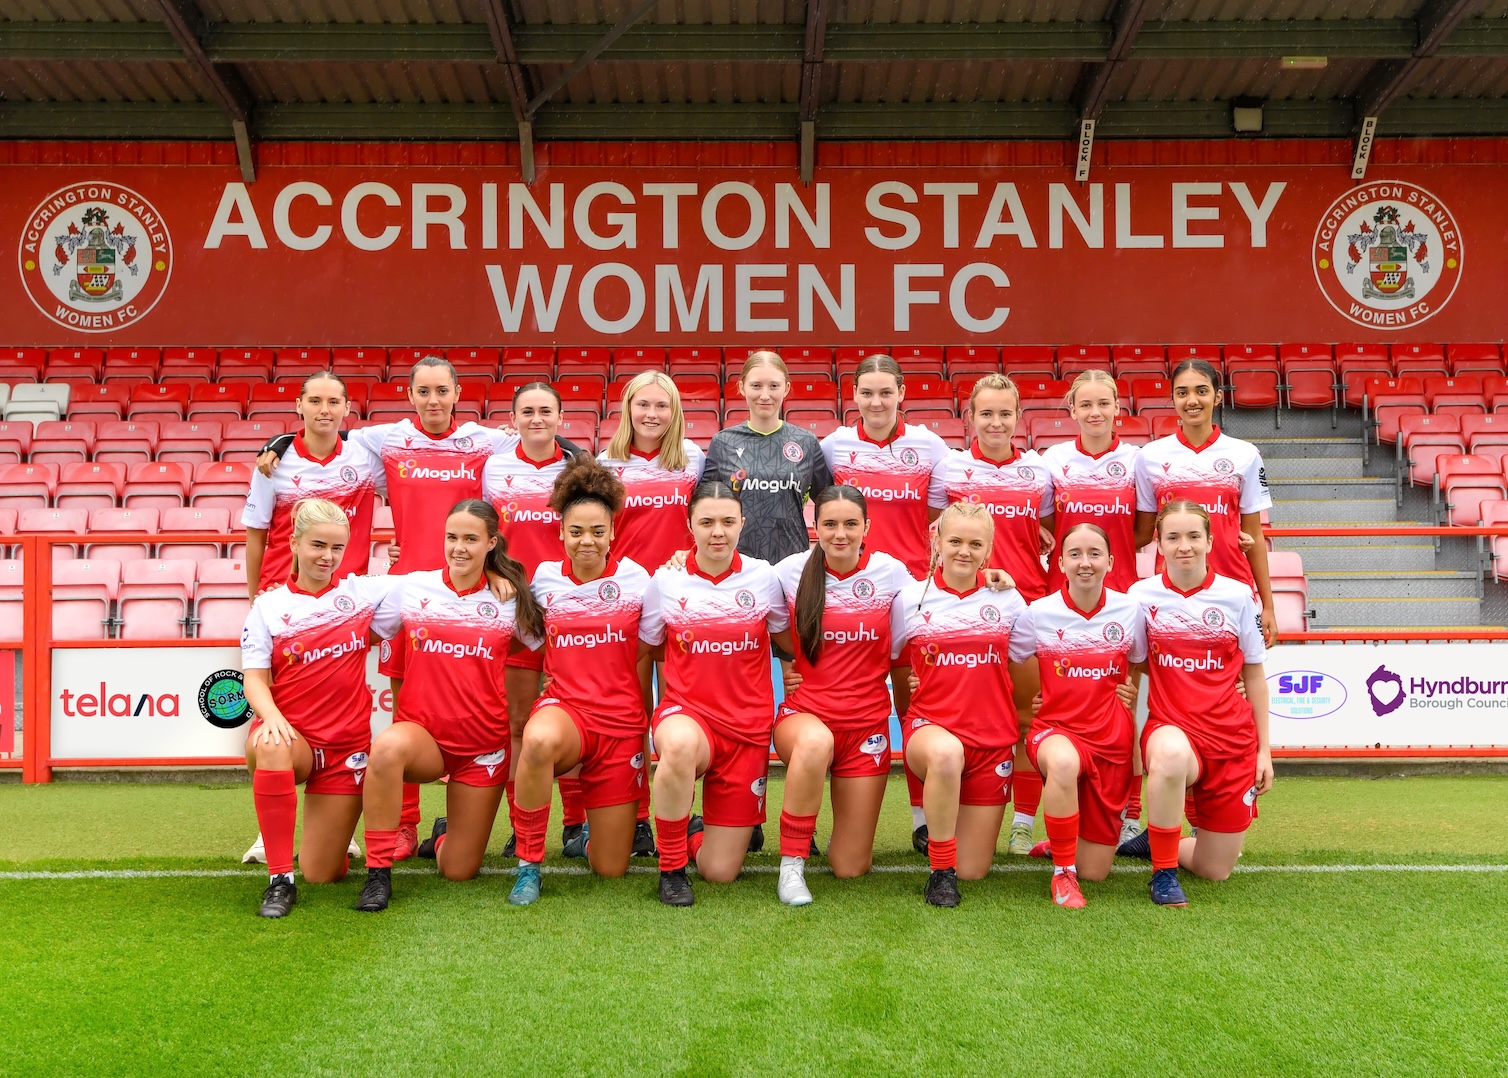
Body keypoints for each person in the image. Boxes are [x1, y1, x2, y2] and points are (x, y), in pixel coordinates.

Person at [258, 355, 519, 860]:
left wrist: (497, 571)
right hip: (408, 597)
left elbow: (543, 443)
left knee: (494, 710)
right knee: (407, 711)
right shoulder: (386, 439)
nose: (433, 400)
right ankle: (403, 824)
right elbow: (324, 435)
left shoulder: (487, 442)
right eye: (423, 391)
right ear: (410, 395)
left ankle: (496, 823)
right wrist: (277, 444)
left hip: (472, 594)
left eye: (442, 390)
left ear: (458, 392)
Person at [355, 499, 542, 912]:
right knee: (386, 747)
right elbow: (342, 596)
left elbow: (557, 641)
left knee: (458, 870)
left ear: (491, 543)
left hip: (484, 748)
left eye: (471, 539)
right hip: (424, 738)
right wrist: (283, 590)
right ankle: (377, 873)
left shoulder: (511, 598)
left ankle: (443, 835)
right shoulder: (411, 586)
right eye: (452, 537)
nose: (459, 547)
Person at [507, 456, 656, 905]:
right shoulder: (545, 582)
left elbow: (651, 643)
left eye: (596, 531)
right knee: (536, 741)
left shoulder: (639, 581)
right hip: (567, 712)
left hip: (622, 725)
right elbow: (518, 639)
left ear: (613, 532)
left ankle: (585, 838)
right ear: (561, 534)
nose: (586, 540)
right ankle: (528, 864)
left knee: (610, 869)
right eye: (576, 532)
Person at [239, 498, 398, 918]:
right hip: (295, 740)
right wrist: (271, 716)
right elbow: (254, 677)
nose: (327, 557)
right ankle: (279, 880)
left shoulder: (361, 593)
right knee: (271, 744)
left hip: (346, 750)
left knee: (324, 872)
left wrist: (493, 570)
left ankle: (328, 841)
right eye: (317, 545)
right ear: (293, 542)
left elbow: (435, 581)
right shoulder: (269, 607)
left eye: (336, 548)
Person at [638, 481, 793, 907]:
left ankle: (696, 833)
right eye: (706, 522)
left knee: (719, 872)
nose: (717, 532)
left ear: (743, 523)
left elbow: (789, 640)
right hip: (687, 715)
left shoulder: (764, 576)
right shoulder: (665, 580)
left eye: (727, 521)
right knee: (681, 747)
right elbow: (645, 646)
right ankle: (670, 868)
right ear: (690, 526)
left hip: (747, 729)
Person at [820, 354, 950, 851]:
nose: (876, 402)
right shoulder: (834, 447)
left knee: (914, 698)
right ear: (854, 396)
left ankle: (921, 817)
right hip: (851, 591)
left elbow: (936, 518)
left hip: (912, 594)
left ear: (902, 394)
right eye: (867, 393)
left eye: (886, 392)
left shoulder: (929, 445)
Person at [770, 485, 914, 905]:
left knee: (850, 866)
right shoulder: (788, 571)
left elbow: (937, 601)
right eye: (829, 524)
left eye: (851, 524)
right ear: (815, 527)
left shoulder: (892, 573)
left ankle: (824, 835)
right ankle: (791, 866)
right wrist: (787, 660)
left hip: (866, 727)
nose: (840, 533)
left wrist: (994, 577)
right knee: (816, 743)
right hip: (804, 719)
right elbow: (738, 589)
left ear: (867, 526)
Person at [1125, 500, 1272, 907]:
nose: (1184, 545)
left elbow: (1255, 675)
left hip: (1231, 740)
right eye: (1173, 537)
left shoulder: (1239, 595)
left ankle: (1162, 837)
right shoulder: (1140, 595)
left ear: (1210, 540)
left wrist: (1264, 751)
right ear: (1159, 542)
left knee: (1215, 869)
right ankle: (1164, 873)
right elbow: (1133, 669)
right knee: (1169, 755)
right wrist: (1127, 737)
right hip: (1171, 730)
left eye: (1193, 536)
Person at [890, 502, 1036, 907]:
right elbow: (881, 656)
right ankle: (940, 871)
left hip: (992, 740)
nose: (963, 551)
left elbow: (1034, 654)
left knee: (975, 868)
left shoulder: (1007, 599)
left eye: (975, 544)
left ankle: (942, 839)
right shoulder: (908, 599)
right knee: (946, 753)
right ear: (937, 541)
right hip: (931, 730)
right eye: (954, 540)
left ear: (988, 552)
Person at [1023, 370, 1145, 854]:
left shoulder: (1137, 461)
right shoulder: (1054, 461)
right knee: (1052, 716)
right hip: (1064, 601)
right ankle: (1040, 825)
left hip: (1121, 600)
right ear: (1071, 411)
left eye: (1104, 403)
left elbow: (1144, 528)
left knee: (1126, 709)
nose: (1095, 412)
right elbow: (1051, 528)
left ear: (1119, 408)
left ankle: (1130, 819)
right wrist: (1079, 564)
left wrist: (1107, 566)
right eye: (1085, 404)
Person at [598, 370, 708, 857]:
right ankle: (642, 814)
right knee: (636, 711)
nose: (652, 414)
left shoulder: (692, 461)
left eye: (662, 406)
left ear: (675, 411)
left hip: (684, 601)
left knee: (687, 712)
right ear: (627, 408)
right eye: (643, 404)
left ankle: (685, 810)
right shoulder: (606, 465)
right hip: (628, 603)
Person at [481, 382, 590, 861]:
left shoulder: (578, 469)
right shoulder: (495, 465)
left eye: (546, 410)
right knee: (520, 723)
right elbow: (484, 530)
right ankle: (521, 826)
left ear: (561, 416)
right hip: (514, 608)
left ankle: (575, 823)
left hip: (571, 606)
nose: (537, 418)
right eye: (528, 411)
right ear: (514, 417)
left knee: (575, 716)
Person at [1019, 523, 1147, 909]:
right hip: (1055, 731)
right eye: (1075, 554)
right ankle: (1062, 874)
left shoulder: (1130, 609)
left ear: (1110, 560)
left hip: (1110, 739)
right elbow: (1002, 659)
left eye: (1094, 554)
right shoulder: (1038, 613)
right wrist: (1029, 702)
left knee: (1097, 870)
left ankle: (1062, 841)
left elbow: (1140, 661)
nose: (1085, 563)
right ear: (1060, 562)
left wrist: (1129, 689)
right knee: (1062, 761)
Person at [1134, 358, 1277, 647]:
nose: (1192, 400)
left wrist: (1268, 605)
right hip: (1171, 588)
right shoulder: (1149, 456)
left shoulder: (1246, 454)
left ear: (1218, 395)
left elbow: (1255, 535)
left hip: (1232, 585)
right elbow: (1142, 533)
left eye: (1201, 390)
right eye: (1182, 392)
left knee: (1236, 684)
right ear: (1172, 398)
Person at [242, 371, 381, 600]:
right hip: (280, 590)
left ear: (347, 407)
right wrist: (253, 598)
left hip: (345, 595)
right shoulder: (272, 463)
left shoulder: (365, 459)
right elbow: (255, 535)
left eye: (333, 402)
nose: (324, 409)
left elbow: (410, 490)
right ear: (299, 405)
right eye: (315, 401)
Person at [705, 351, 833, 565]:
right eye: (756, 386)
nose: (765, 395)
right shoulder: (722, 442)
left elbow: (829, 503)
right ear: (741, 387)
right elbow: (703, 505)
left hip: (792, 561)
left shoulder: (806, 442)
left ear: (787, 388)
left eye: (774, 386)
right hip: (736, 563)